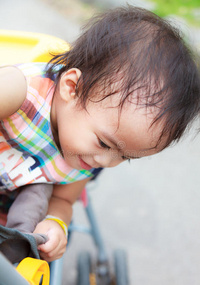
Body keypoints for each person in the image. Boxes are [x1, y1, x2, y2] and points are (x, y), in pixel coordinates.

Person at [0, 5, 200, 262]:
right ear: (72, 88)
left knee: (35, 225)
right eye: (104, 143)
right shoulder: (19, 91)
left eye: (126, 157)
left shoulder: (84, 157)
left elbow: (62, 199)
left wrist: (55, 223)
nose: (105, 163)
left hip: (13, 212)